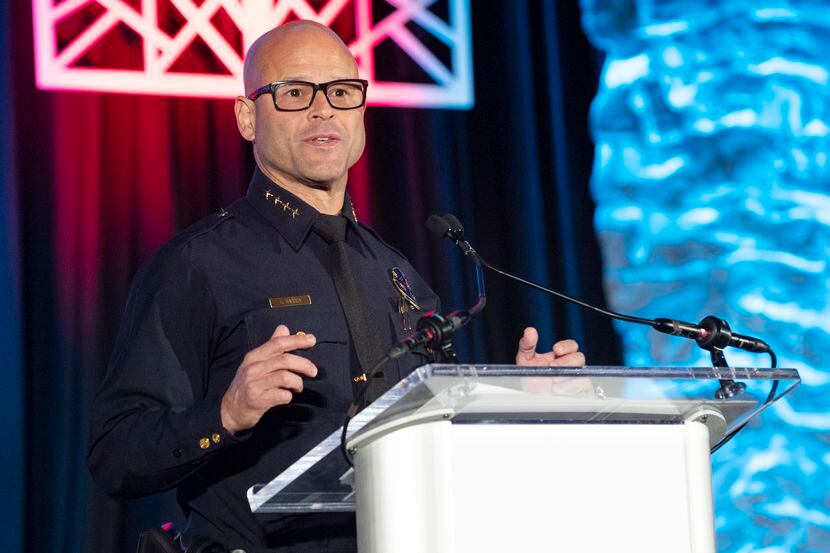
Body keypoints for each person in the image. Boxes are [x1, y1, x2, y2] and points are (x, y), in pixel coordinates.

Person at [87, 20, 585, 553]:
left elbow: (434, 442)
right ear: (247, 117)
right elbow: (116, 456)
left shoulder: (398, 273)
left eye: (342, 92)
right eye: (295, 93)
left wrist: (516, 407)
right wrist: (226, 413)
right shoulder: (197, 265)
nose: (323, 110)